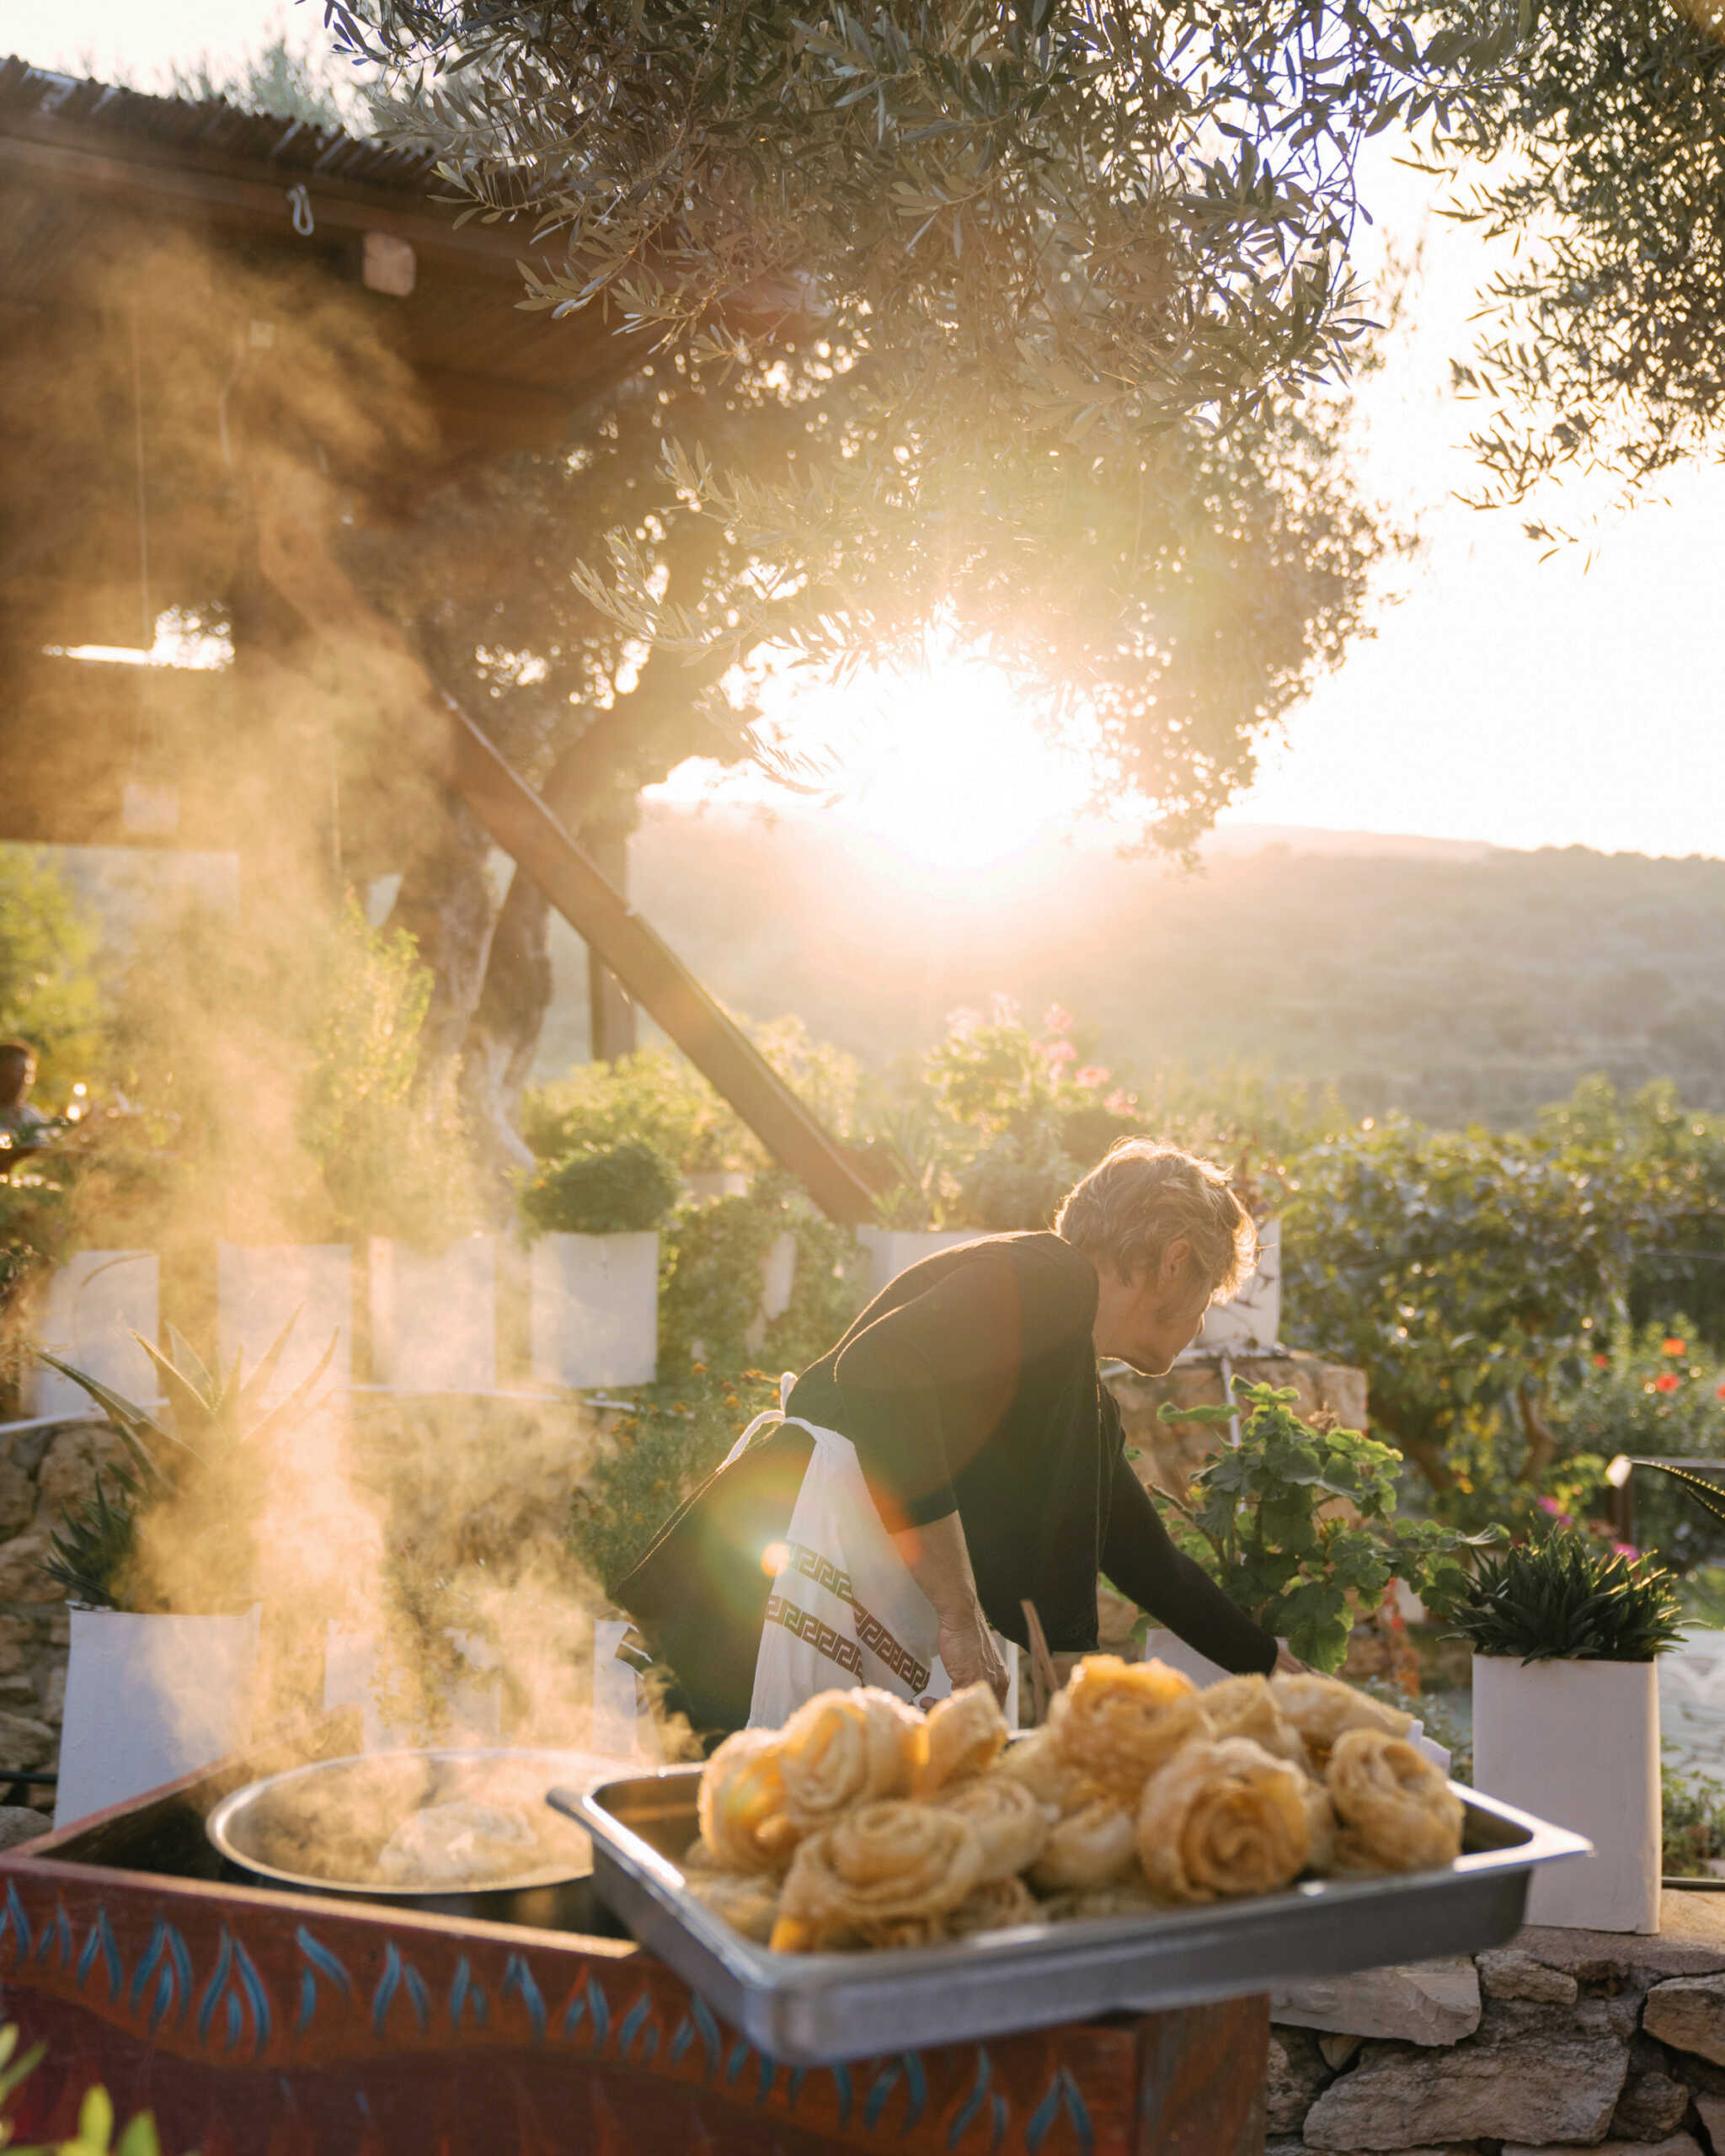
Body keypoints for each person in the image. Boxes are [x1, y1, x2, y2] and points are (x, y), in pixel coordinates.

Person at [781, 1139, 1289, 1704]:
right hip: (782, 1569)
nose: (1200, 1324)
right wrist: (957, 1606)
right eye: (1208, 1292)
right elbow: (877, 1367)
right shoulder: (1048, 1279)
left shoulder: (1072, 1383)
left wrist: (1276, 1668)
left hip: (816, 1585)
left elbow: (1154, 1566)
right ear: (1173, 1262)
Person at [0, 1043, 49, 1173]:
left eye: (28, 1075)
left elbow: (49, 1152)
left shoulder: (31, 1116)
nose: (23, 1081)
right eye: (17, 1072)